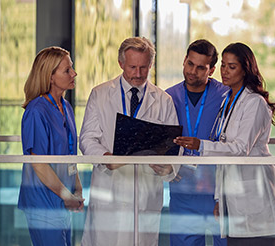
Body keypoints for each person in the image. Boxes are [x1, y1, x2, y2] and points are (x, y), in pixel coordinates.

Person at [174, 42, 275, 246]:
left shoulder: (254, 103)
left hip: (255, 196)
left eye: (232, 67)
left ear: (246, 70)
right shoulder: (228, 99)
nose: (225, 72)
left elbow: (239, 149)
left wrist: (200, 145)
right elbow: (224, 154)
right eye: (224, 66)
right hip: (232, 198)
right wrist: (220, 200)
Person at [79, 37, 179, 246]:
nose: (138, 74)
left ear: (151, 65)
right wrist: (107, 158)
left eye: (144, 67)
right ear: (121, 63)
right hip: (110, 186)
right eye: (132, 67)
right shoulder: (100, 94)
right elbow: (87, 138)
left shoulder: (163, 100)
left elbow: (174, 147)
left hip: (146, 192)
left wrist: (167, 167)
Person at [18, 47, 84, 246]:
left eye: (71, 68)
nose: (74, 73)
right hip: (43, 204)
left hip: (62, 201)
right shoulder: (36, 111)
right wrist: (67, 195)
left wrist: (77, 189)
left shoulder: (66, 107)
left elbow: (70, 154)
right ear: (50, 77)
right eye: (67, 70)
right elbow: (39, 164)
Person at [165, 39, 228, 246]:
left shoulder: (225, 96)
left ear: (211, 70)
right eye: (190, 64)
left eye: (201, 67)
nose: (193, 71)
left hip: (219, 193)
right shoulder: (167, 97)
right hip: (183, 192)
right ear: (184, 61)